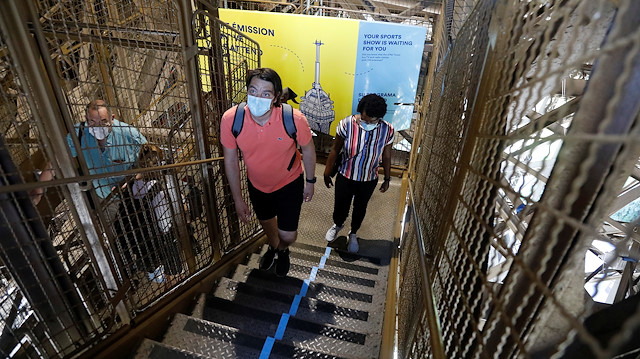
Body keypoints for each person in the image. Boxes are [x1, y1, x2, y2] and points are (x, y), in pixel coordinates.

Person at [220, 68, 316, 277]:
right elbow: (231, 161)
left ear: (275, 98)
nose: (257, 98)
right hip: (257, 185)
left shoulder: (294, 119)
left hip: (289, 182)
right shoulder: (231, 119)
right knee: (267, 224)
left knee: (288, 235)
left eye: (266, 93)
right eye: (253, 91)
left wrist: (310, 181)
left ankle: (282, 248)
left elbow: (308, 148)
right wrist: (237, 199)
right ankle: (275, 249)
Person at [33, 100, 147, 213]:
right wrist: (39, 190)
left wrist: (128, 182)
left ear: (112, 118)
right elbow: (56, 161)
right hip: (103, 194)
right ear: (86, 119)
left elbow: (149, 162)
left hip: (130, 193)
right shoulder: (79, 134)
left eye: (103, 122)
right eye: (92, 122)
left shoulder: (129, 134)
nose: (98, 128)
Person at [323, 94, 395, 253]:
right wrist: (327, 172)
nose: (367, 124)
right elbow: (335, 149)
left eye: (371, 121)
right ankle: (338, 224)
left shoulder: (387, 130)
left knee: (360, 207)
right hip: (345, 174)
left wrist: (387, 178)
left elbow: (387, 155)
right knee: (341, 205)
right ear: (360, 112)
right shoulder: (346, 124)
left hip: (369, 178)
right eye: (364, 120)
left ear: (380, 118)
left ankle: (353, 233)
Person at [113, 144, 182, 285]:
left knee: (157, 278)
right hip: (161, 244)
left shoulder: (130, 185)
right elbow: (165, 225)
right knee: (174, 277)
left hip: (140, 244)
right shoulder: (158, 189)